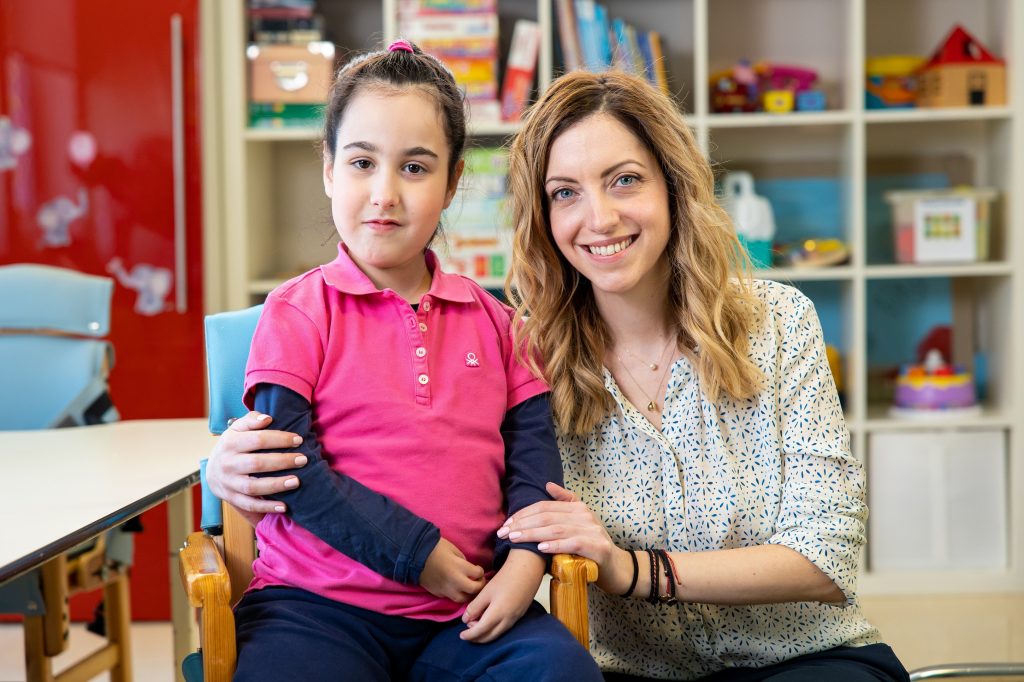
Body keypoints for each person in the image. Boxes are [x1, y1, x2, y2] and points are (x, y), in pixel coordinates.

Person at [208, 69, 909, 682]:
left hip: (803, 659)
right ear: (542, 216)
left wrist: (608, 568)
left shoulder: (776, 322)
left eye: (625, 179)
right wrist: (226, 466)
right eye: (565, 192)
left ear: (673, 185)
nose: (599, 217)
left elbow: (828, 556)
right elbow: (340, 455)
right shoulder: (532, 343)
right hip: (633, 670)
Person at [217, 39, 601, 682]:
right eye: (362, 162)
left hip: (469, 614)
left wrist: (523, 568)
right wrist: (415, 555)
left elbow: (534, 470)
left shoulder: (503, 326)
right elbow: (292, 472)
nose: (384, 193)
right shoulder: (297, 312)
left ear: (452, 183)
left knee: (563, 673)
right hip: (315, 608)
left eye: (415, 168)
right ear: (329, 170)